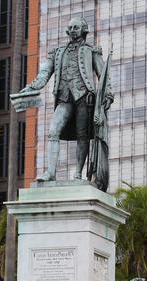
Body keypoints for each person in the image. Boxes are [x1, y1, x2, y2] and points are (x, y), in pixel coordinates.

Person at [19, 17, 113, 182]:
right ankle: (50, 172)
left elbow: (103, 75)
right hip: (64, 97)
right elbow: (44, 74)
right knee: (53, 130)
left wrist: (108, 95)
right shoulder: (57, 53)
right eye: (70, 28)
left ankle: (78, 173)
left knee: (82, 135)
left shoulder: (92, 51)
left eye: (76, 27)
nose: (73, 30)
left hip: (85, 97)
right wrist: (31, 87)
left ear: (83, 29)